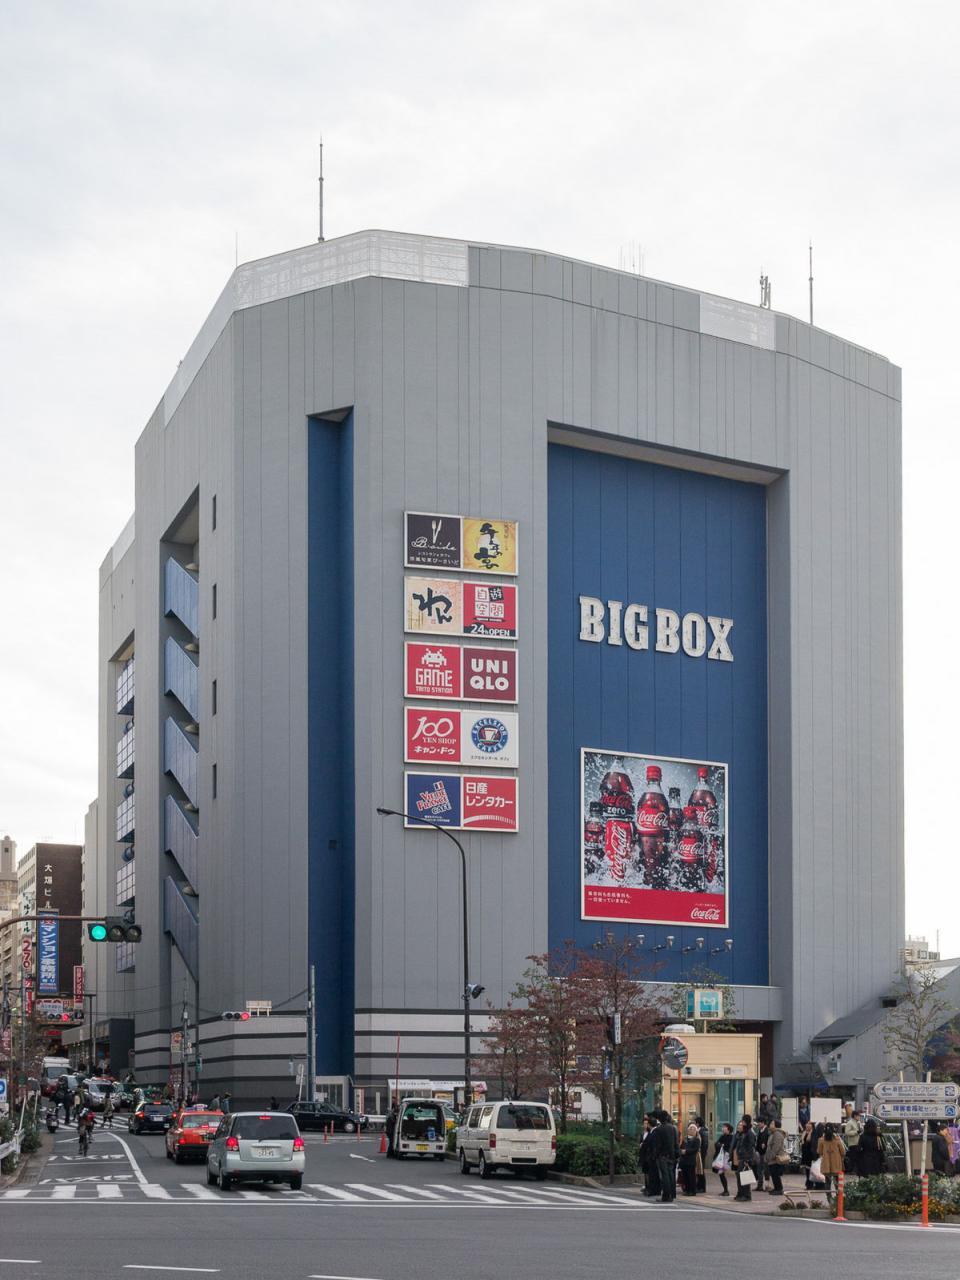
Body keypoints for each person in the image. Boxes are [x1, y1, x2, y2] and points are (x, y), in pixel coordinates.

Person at [652, 1109, 679, 1203]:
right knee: (671, 1174)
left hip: (662, 1155)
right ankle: (672, 1194)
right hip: (672, 1155)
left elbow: (657, 1145)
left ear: (659, 1119)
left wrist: (655, 1155)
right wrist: (677, 1154)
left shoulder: (658, 1130)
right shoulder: (673, 1128)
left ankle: (666, 1195)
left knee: (665, 1176)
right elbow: (676, 1143)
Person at [731, 1115, 758, 1201]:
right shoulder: (744, 1132)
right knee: (740, 1175)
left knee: (745, 1177)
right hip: (742, 1157)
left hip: (746, 1158)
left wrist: (747, 1159)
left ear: (746, 1122)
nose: (741, 1123)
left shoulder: (749, 1133)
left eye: (742, 1121)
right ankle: (740, 1193)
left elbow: (751, 1146)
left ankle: (746, 1195)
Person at [817, 1122, 846, 1192]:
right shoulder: (837, 1139)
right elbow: (843, 1152)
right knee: (837, 1183)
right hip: (836, 1164)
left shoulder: (821, 1140)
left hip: (826, 1165)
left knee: (827, 1183)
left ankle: (829, 1199)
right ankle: (837, 1199)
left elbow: (819, 1152)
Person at [764, 1119, 787, 1195]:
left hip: (776, 1158)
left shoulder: (777, 1134)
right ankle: (776, 1188)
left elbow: (776, 1147)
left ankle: (779, 1189)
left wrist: (770, 1156)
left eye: (772, 1124)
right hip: (772, 1158)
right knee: (773, 1174)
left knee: (775, 1174)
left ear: (776, 1125)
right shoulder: (773, 1133)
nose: (770, 1125)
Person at [678, 1122, 701, 1196]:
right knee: (685, 1176)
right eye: (690, 1129)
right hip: (684, 1160)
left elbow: (695, 1149)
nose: (691, 1130)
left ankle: (692, 1190)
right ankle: (687, 1190)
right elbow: (680, 1147)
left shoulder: (697, 1140)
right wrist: (681, 1151)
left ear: (696, 1131)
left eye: (693, 1129)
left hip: (691, 1160)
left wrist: (686, 1151)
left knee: (691, 1176)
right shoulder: (685, 1139)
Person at [712, 1122, 734, 1196]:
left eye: (724, 1127)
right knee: (721, 1174)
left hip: (726, 1157)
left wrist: (721, 1145)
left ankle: (726, 1190)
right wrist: (721, 1145)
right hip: (721, 1157)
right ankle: (725, 1190)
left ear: (728, 1129)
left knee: (721, 1173)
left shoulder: (731, 1137)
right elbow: (716, 1144)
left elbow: (727, 1146)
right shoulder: (722, 1136)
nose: (723, 1128)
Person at [842, 1102, 862, 1171]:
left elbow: (861, 1130)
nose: (859, 1117)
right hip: (852, 1143)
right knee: (853, 1157)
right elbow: (847, 1132)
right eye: (858, 1116)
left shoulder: (858, 1122)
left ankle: (856, 1169)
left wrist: (861, 1130)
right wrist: (856, 1132)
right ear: (854, 1116)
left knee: (858, 1157)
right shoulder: (850, 1123)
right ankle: (851, 1169)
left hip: (858, 1142)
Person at [800, 1120, 818, 1188]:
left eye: (810, 1124)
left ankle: (810, 1184)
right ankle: (808, 1183)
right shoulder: (804, 1132)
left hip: (810, 1154)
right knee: (807, 1170)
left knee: (811, 1170)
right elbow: (802, 1141)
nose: (807, 1125)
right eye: (807, 1123)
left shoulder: (813, 1133)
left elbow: (810, 1142)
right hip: (805, 1153)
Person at [695, 1116, 709, 1193]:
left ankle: (702, 1187)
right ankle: (699, 1186)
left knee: (701, 1170)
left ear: (698, 1123)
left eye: (695, 1122)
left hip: (701, 1153)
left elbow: (704, 1144)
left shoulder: (702, 1131)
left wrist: (702, 1153)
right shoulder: (702, 1130)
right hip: (700, 1153)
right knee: (699, 1169)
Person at [755, 1119, 769, 1190]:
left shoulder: (767, 1131)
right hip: (760, 1153)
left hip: (765, 1153)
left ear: (763, 1123)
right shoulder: (760, 1130)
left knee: (765, 1170)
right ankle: (759, 1185)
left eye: (759, 1123)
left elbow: (767, 1142)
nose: (758, 1124)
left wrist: (764, 1145)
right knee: (759, 1170)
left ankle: (766, 1186)